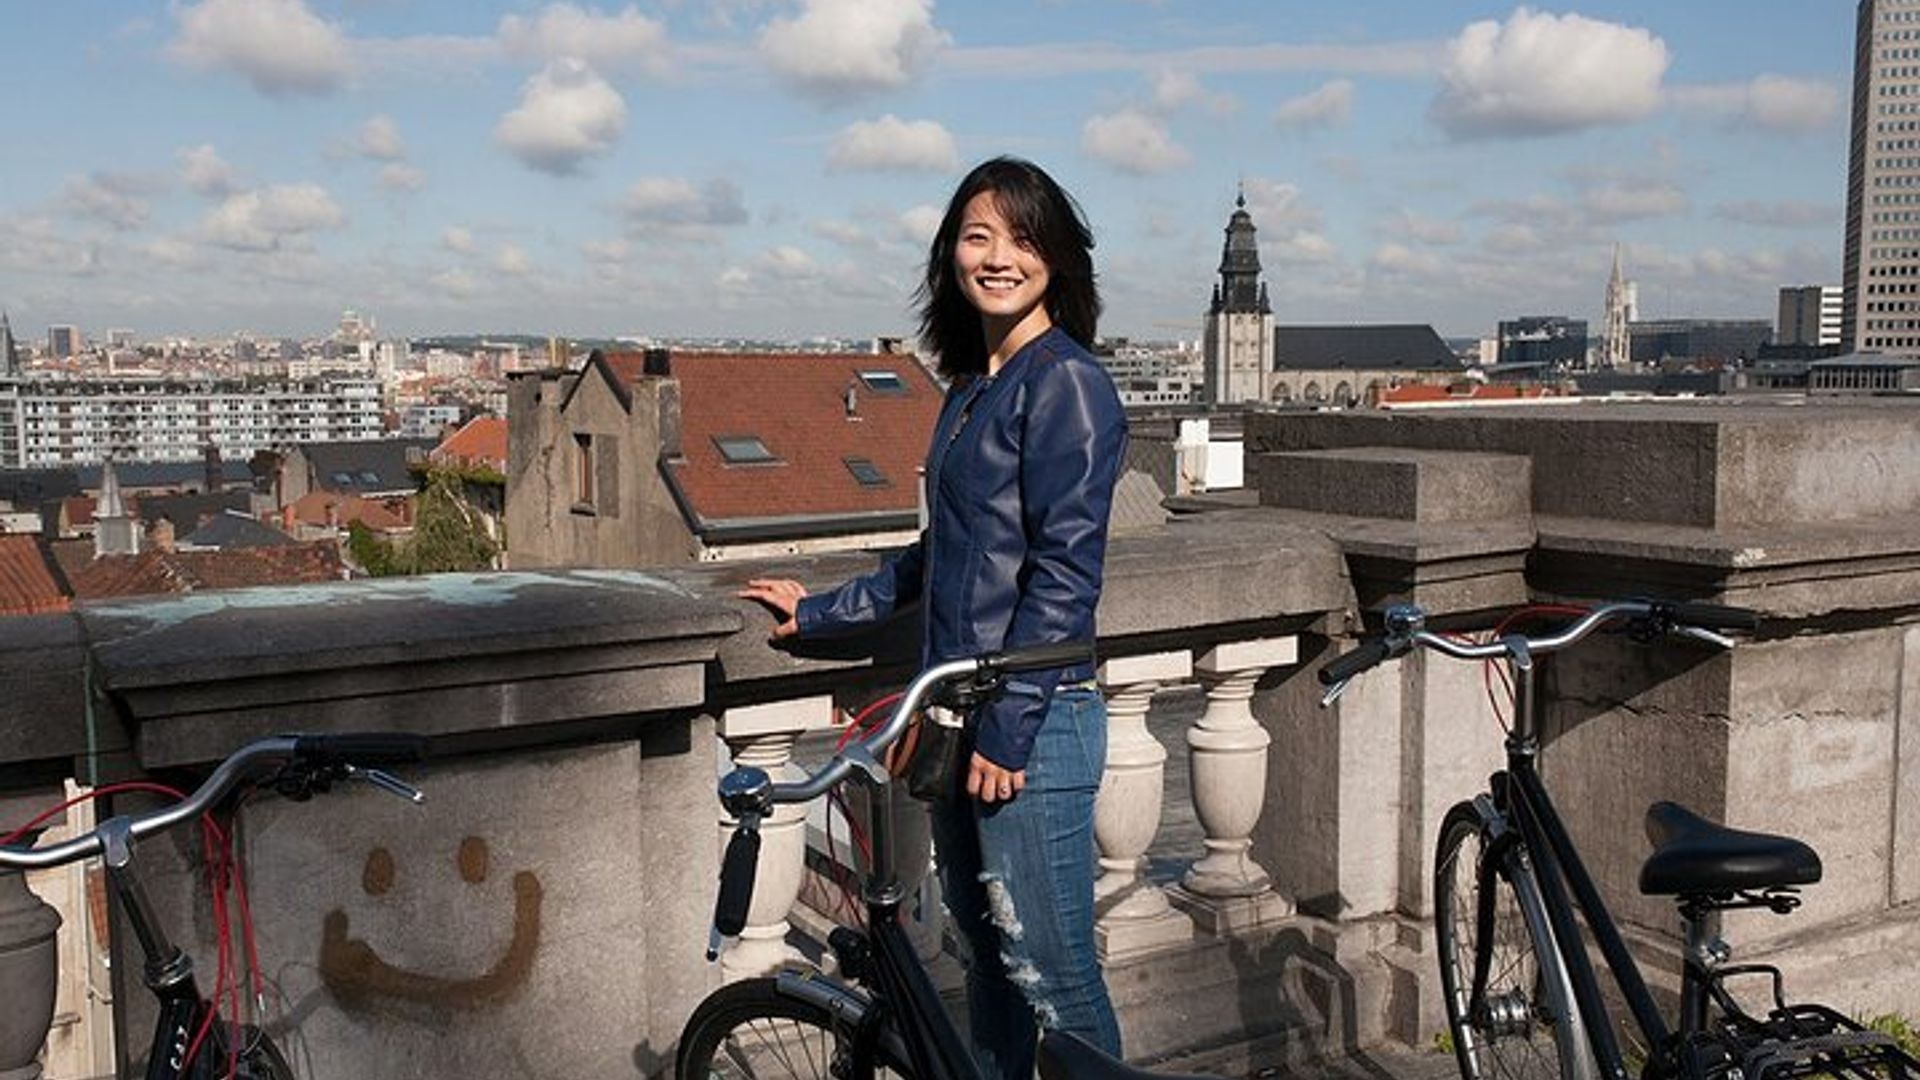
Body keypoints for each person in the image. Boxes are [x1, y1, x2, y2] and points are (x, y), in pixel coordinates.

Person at [738, 156, 1127, 1080]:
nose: (999, 257)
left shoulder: (1064, 382)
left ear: (1059, 259)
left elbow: (1065, 575)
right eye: (978, 235)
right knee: (989, 968)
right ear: (951, 252)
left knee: (1057, 987)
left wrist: (1012, 726)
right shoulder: (971, 387)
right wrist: (823, 611)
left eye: (1024, 238)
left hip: (1031, 721)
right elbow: (942, 558)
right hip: (960, 714)